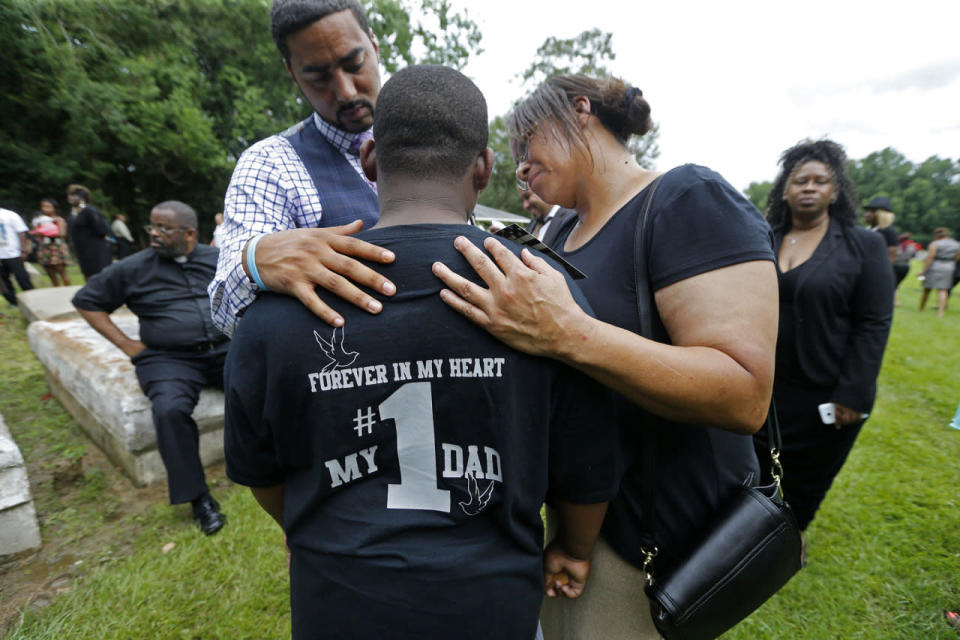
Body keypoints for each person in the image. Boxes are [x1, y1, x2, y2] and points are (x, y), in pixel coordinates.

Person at [223, 65, 620, 640]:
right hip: (493, 611)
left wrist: (311, 528)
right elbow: (586, 466)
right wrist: (575, 548)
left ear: (370, 160)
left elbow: (261, 471)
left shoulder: (277, 310)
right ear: (483, 167)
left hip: (336, 609)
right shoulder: (545, 293)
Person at [430, 74, 778, 639]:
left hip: (654, 544)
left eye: (526, 142)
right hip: (575, 516)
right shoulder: (561, 227)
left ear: (581, 110)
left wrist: (569, 334)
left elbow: (744, 394)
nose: (519, 166)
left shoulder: (687, 198)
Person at [209, 0, 398, 336]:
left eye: (354, 63)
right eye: (319, 77)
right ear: (292, 73)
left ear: (375, 44)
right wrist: (253, 260)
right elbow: (225, 312)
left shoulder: (432, 138)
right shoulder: (271, 164)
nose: (346, 91)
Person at [753, 139, 893, 554]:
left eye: (820, 181)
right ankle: (748, 531)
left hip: (826, 387)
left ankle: (790, 535)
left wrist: (853, 391)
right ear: (785, 190)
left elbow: (874, 322)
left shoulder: (862, 245)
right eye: (799, 181)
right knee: (755, 463)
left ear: (835, 190)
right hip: (765, 381)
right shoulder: (763, 236)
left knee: (808, 474)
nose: (809, 188)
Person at [72, 201, 228, 536]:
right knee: (170, 409)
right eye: (151, 227)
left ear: (189, 234)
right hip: (169, 358)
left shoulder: (217, 259)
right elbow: (87, 301)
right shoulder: (132, 268)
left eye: (163, 229)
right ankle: (199, 499)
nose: (154, 234)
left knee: (272, 381)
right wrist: (128, 345)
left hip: (225, 348)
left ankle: (279, 462)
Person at [66, 184, 113, 280]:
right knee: (88, 278)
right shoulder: (72, 215)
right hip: (82, 252)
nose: (71, 197)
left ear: (82, 197)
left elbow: (102, 230)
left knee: (100, 277)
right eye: (69, 194)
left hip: (96, 251)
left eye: (74, 194)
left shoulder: (90, 211)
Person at [918, 227, 960, 317]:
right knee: (943, 289)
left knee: (927, 288)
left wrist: (923, 270)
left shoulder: (935, 244)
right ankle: (940, 312)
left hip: (935, 265)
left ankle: (921, 308)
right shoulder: (956, 244)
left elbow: (930, 257)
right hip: (949, 266)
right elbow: (958, 257)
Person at [31, 198, 72, 286]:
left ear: (54, 208)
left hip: (57, 247)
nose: (45, 209)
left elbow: (62, 234)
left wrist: (47, 232)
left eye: (48, 206)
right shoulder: (40, 220)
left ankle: (68, 291)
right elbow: (34, 232)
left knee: (62, 271)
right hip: (45, 247)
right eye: (43, 206)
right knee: (50, 273)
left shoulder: (59, 220)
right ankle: (56, 292)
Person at [0, 206, 35, 305]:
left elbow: (22, 233)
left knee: (22, 278)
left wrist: (23, 250)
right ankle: (13, 302)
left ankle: (32, 299)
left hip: (13, 254)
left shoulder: (9, 215)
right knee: (3, 283)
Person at [863, 196, 898, 265]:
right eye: (867, 211)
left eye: (872, 211)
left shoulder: (889, 232)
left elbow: (892, 257)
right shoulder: (867, 229)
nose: (866, 214)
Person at [892, 232, 918, 306]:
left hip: (896, 265)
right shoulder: (912, 246)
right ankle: (895, 300)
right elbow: (914, 256)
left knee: (894, 284)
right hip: (906, 266)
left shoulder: (897, 245)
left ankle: (895, 301)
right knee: (896, 284)